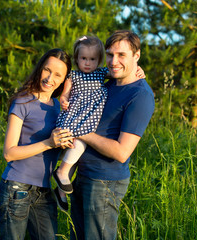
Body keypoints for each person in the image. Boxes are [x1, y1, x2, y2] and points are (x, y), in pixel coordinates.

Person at [70, 30, 155, 240]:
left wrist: (80, 130)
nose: (113, 61)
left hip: (105, 181)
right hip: (83, 175)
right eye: (109, 54)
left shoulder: (140, 96)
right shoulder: (108, 84)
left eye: (121, 55)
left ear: (137, 56)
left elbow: (122, 152)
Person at [52, 36, 145, 212]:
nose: (87, 63)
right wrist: (64, 101)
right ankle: (61, 175)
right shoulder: (73, 76)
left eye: (93, 59)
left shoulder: (101, 74)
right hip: (76, 117)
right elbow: (64, 94)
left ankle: (61, 186)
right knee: (75, 147)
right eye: (83, 59)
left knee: (76, 152)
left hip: (89, 126)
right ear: (77, 58)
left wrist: (138, 69)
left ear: (99, 60)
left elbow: (123, 71)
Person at [0, 48, 74, 240]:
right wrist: (49, 142)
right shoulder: (22, 101)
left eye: (58, 75)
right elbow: (9, 153)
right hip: (16, 190)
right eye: (47, 70)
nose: (50, 78)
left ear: (65, 80)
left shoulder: (59, 106)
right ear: (40, 68)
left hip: (44, 191)